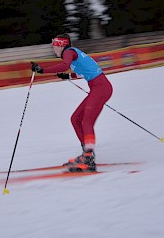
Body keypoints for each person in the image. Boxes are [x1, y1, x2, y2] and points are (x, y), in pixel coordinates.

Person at [31, 34, 113, 172]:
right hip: (98, 88)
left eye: (54, 46)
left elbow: (64, 66)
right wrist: (68, 76)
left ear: (61, 45)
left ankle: (88, 159)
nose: (53, 49)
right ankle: (86, 154)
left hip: (101, 88)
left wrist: (42, 70)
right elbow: (84, 71)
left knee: (86, 121)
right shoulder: (73, 53)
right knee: (75, 119)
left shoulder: (68, 52)